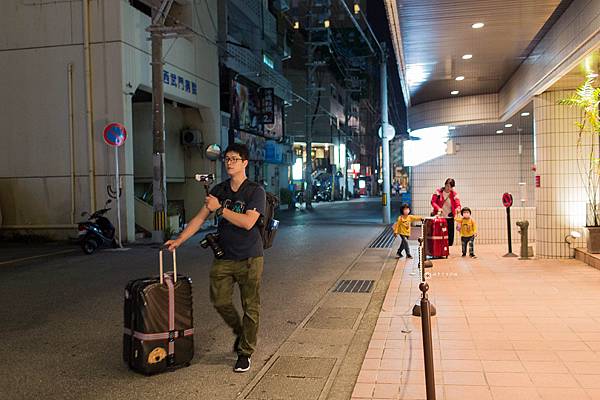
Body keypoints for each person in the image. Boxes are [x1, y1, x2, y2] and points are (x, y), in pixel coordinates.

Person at [165, 143, 266, 373]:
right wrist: (180, 240)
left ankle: (245, 353)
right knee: (219, 300)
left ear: (245, 163)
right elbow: (200, 218)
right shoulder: (219, 190)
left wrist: (220, 210)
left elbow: (248, 222)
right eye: (227, 159)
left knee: (251, 307)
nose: (229, 162)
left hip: (250, 257)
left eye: (234, 159)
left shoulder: (254, 191)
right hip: (224, 257)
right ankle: (241, 333)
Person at [431, 178, 461, 247]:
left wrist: (458, 208)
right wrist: (438, 208)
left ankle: (448, 249)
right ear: (445, 184)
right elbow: (433, 202)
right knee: (439, 234)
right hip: (439, 217)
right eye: (447, 186)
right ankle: (440, 249)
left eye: (451, 187)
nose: (448, 188)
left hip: (450, 217)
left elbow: (458, 204)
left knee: (450, 235)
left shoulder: (454, 194)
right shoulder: (438, 192)